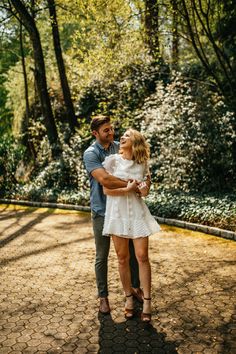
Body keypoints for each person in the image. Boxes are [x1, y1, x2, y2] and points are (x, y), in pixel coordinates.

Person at [83, 116, 145, 315]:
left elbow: (141, 167)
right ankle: (103, 297)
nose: (111, 133)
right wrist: (131, 184)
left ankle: (135, 288)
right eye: (106, 131)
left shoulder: (120, 146)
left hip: (122, 211)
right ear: (95, 133)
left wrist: (143, 181)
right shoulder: (90, 154)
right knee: (102, 256)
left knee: (131, 255)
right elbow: (106, 180)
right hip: (101, 210)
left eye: (111, 129)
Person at [102, 128, 160, 322]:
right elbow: (106, 190)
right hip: (117, 214)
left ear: (135, 142)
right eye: (123, 136)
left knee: (142, 256)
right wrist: (127, 189)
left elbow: (145, 192)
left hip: (137, 214)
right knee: (121, 258)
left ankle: (147, 302)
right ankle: (128, 299)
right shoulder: (112, 162)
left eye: (127, 136)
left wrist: (143, 190)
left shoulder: (142, 164)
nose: (122, 137)